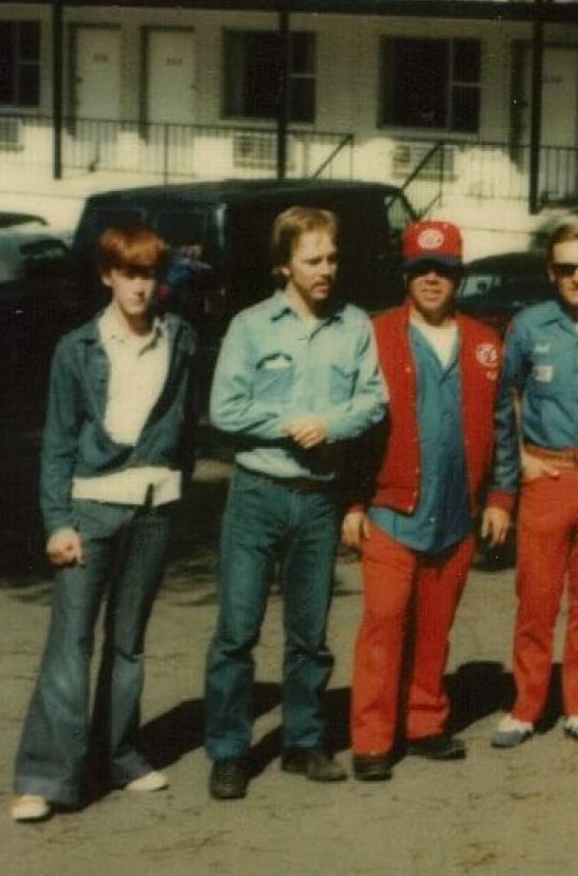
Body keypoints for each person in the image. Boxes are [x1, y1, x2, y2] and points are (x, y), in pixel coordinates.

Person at [12, 226, 197, 822]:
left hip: (153, 510)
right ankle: (44, 777)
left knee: (128, 642)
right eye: (129, 274)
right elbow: (58, 443)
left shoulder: (180, 338)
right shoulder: (78, 348)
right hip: (89, 511)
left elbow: (185, 426)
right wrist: (57, 522)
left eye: (149, 274)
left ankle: (118, 755)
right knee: (70, 644)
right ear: (107, 276)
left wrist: (177, 490)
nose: (140, 287)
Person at [203, 206, 385, 800]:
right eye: (312, 260)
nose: (326, 270)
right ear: (284, 265)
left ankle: (304, 741)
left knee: (310, 632)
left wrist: (328, 424)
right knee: (237, 630)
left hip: (318, 501)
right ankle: (229, 751)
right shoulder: (251, 327)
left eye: (332, 258)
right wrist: (291, 424)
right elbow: (225, 409)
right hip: (257, 495)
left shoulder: (354, 325)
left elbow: (373, 400)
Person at [342, 219, 517, 782]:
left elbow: (503, 427)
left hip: (457, 512)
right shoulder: (377, 334)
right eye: (421, 269)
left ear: (459, 277)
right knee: (384, 623)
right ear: (406, 275)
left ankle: (424, 721)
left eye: (443, 270)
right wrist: (352, 503)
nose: (432, 280)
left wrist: (501, 497)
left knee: (435, 626)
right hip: (391, 510)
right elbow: (353, 429)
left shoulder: (484, 342)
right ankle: (372, 737)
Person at [491, 218, 578, 750]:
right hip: (545, 476)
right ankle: (525, 706)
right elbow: (504, 397)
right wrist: (519, 459)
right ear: (551, 272)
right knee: (537, 599)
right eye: (566, 269)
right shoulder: (529, 326)